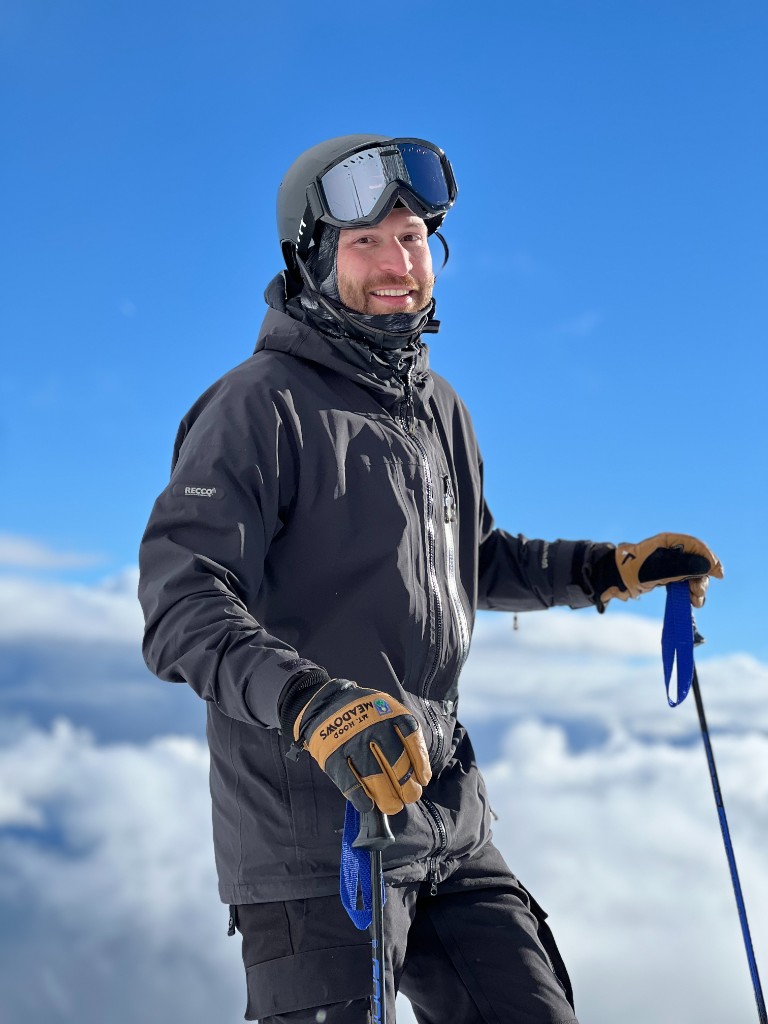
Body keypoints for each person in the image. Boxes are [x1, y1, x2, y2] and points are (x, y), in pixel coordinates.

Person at [138, 134, 723, 1023]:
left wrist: (614, 569)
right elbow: (181, 599)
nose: (395, 264)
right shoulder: (259, 405)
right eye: (364, 241)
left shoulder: (438, 408)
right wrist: (313, 704)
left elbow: (476, 559)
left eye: (411, 238)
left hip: (444, 812)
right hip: (314, 834)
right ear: (312, 258)